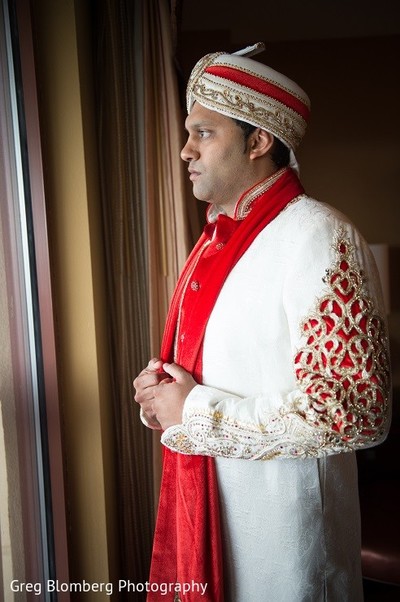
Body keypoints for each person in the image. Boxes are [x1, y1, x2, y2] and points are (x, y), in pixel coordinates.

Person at [133, 43, 391, 602]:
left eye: (203, 133)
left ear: (258, 141)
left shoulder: (319, 236)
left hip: (284, 545)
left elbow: (356, 410)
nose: (185, 151)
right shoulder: (211, 244)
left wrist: (194, 411)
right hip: (211, 519)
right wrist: (165, 396)